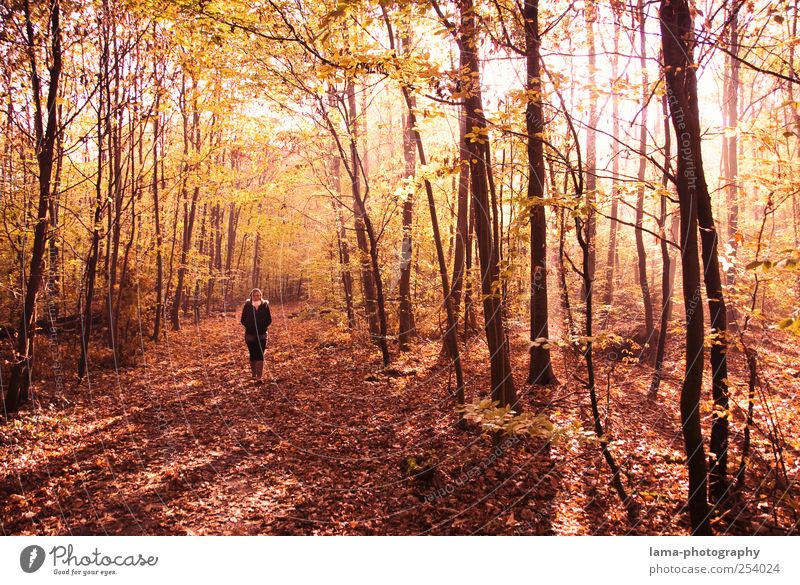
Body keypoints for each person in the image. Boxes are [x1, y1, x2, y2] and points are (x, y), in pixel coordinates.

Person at [240, 288, 272, 384]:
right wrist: (250, 327)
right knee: (253, 354)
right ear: (251, 296)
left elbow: (269, 319)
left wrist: (262, 327)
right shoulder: (247, 305)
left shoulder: (265, 305)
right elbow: (243, 320)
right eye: (254, 295)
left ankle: (259, 377)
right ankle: (253, 375)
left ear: (261, 296)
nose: (256, 297)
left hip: (262, 334)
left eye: (258, 295)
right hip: (250, 334)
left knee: (260, 354)